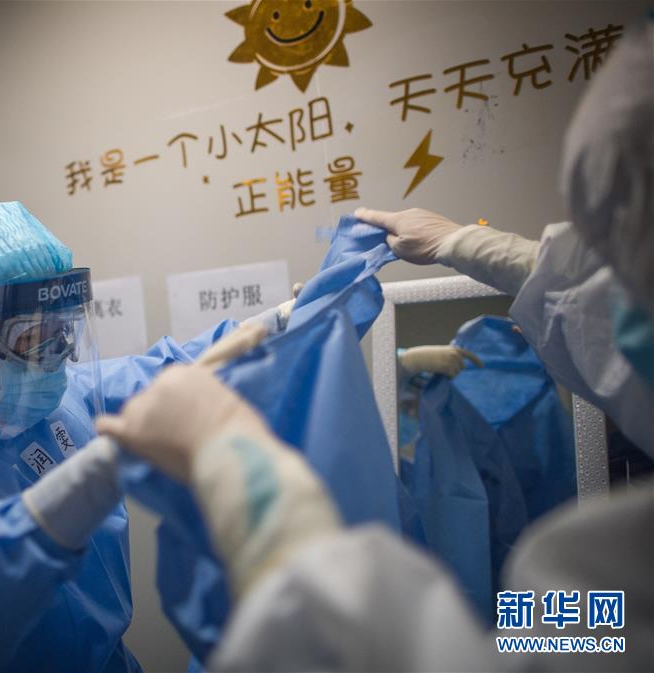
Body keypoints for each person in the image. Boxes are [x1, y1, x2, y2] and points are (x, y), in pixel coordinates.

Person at [97, 20, 653, 673]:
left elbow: (470, 655)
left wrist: (264, 508)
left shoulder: (605, 574)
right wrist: (475, 247)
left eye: (621, 269)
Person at [0, 201, 271, 672]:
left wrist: (284, 323)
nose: (53, 356)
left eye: (62, 331)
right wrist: (61, 509)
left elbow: (174, 374)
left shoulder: (51, 397)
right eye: (30, 338)